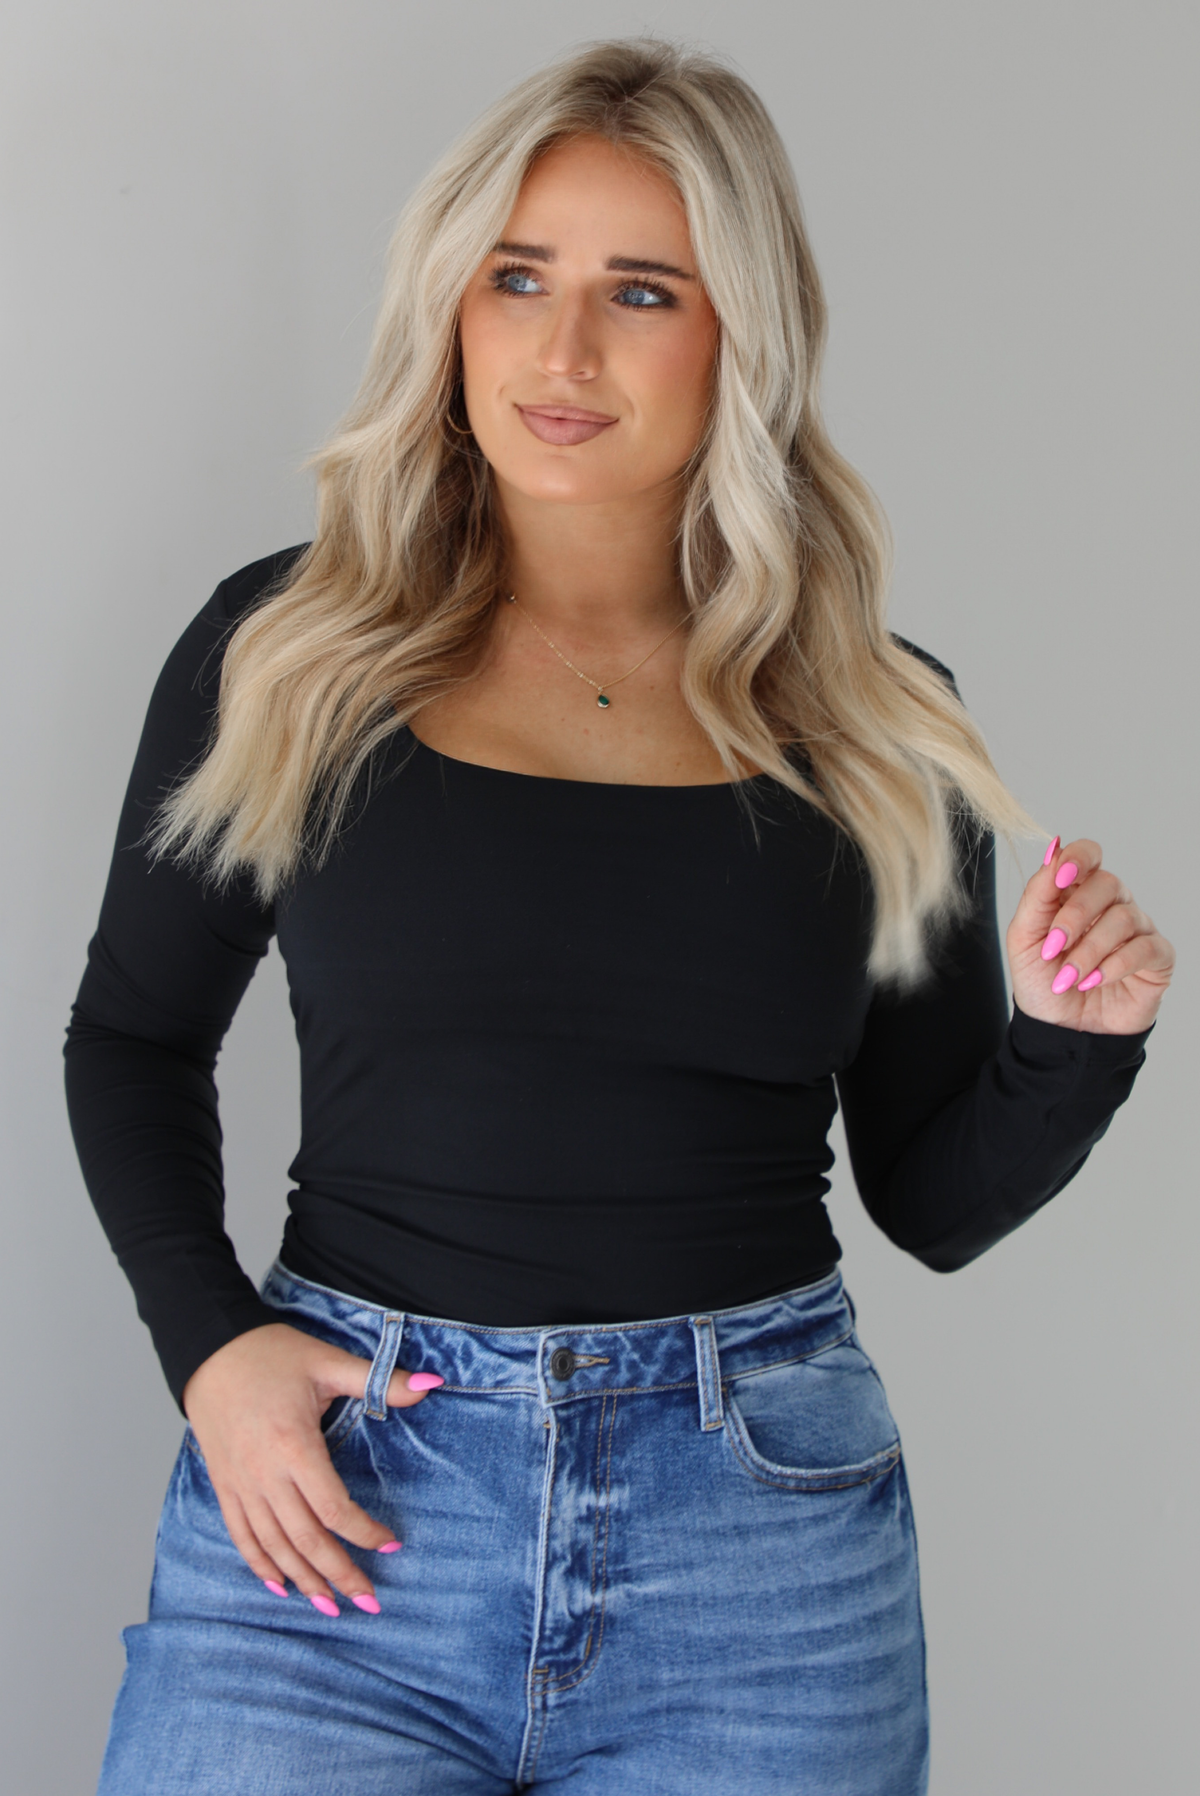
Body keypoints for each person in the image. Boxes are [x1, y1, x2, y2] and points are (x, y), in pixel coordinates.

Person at [65, 38, 1173, 1796]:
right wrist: (214, 1358)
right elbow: (129, 1038)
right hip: (343, 1505)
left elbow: (933, 1200)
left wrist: (1077, 1047)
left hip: (755, 1553)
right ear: (454, 307)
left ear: (741, 334)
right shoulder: (283, 657)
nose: (561, 351)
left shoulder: (877, 726)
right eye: (518, 279)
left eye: (639, 291)